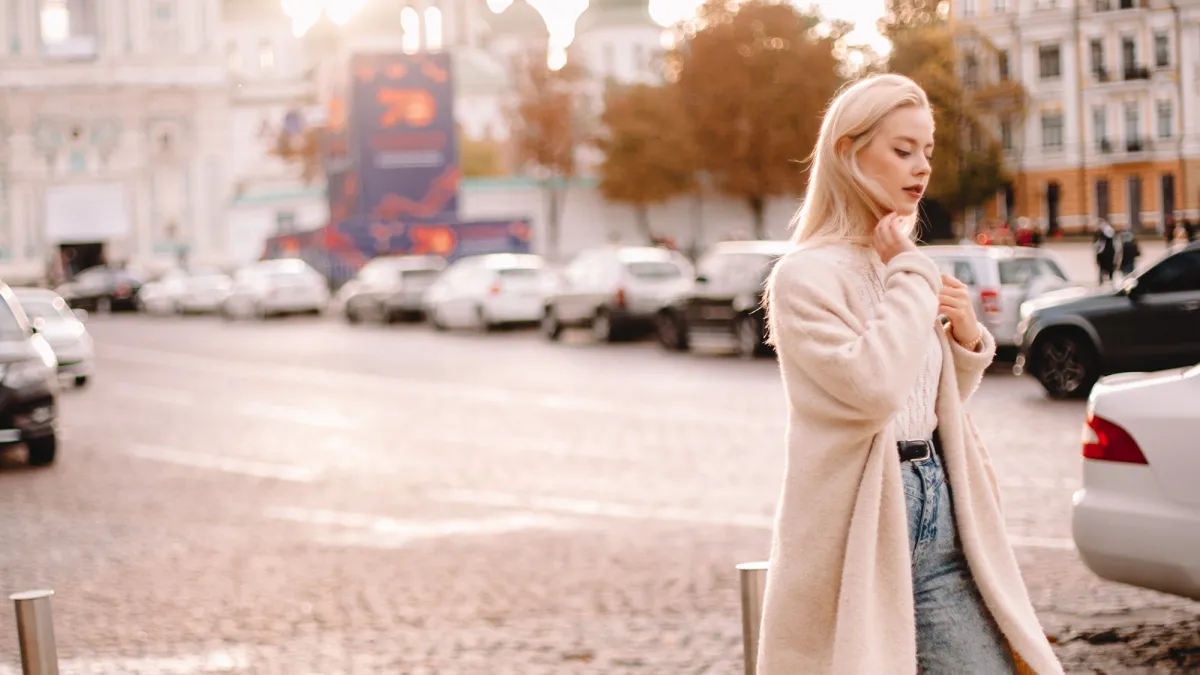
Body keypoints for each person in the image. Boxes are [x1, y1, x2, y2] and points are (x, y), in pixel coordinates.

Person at [756, 74, 1062, 675]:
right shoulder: (805, 277)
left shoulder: (896, 262)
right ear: (847, 152)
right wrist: (911, 277)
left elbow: (922, 401)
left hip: (941, 504)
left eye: (927, 150)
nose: (921, 168)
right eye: (902, 150)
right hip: (863, 524)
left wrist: (968, 340)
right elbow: (873, 390)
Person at [1094, 219, 1117, 284]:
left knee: (1103, 268)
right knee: (1108, 268)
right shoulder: (1111, 236)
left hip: (1104, 255)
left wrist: (1097, 256)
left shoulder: (1101, 236)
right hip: (1109, 255)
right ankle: (1109, 280)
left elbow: (1099, 247)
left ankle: (1104, 280)